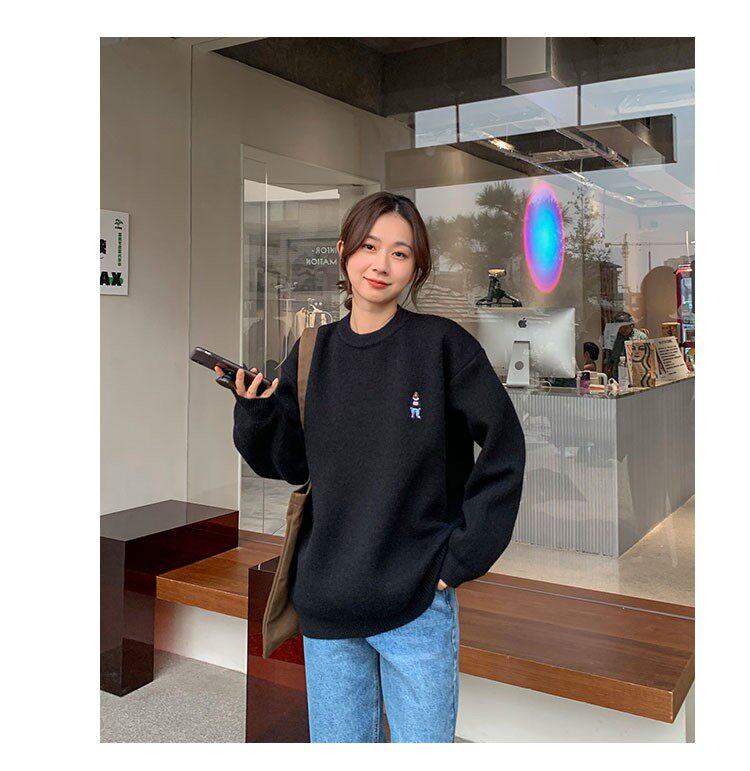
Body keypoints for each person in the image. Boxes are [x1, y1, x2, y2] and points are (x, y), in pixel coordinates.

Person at [219, 191, 526, 743]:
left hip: (417, 604)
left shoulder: (443, 347)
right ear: (343, 252)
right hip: (328, 602)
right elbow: (287, 464)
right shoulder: (311, 351)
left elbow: (505, 448)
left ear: (416, 268)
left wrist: (461, 557)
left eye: (400, 253)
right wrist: (256, 412)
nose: (381, 264)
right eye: (368, 246)